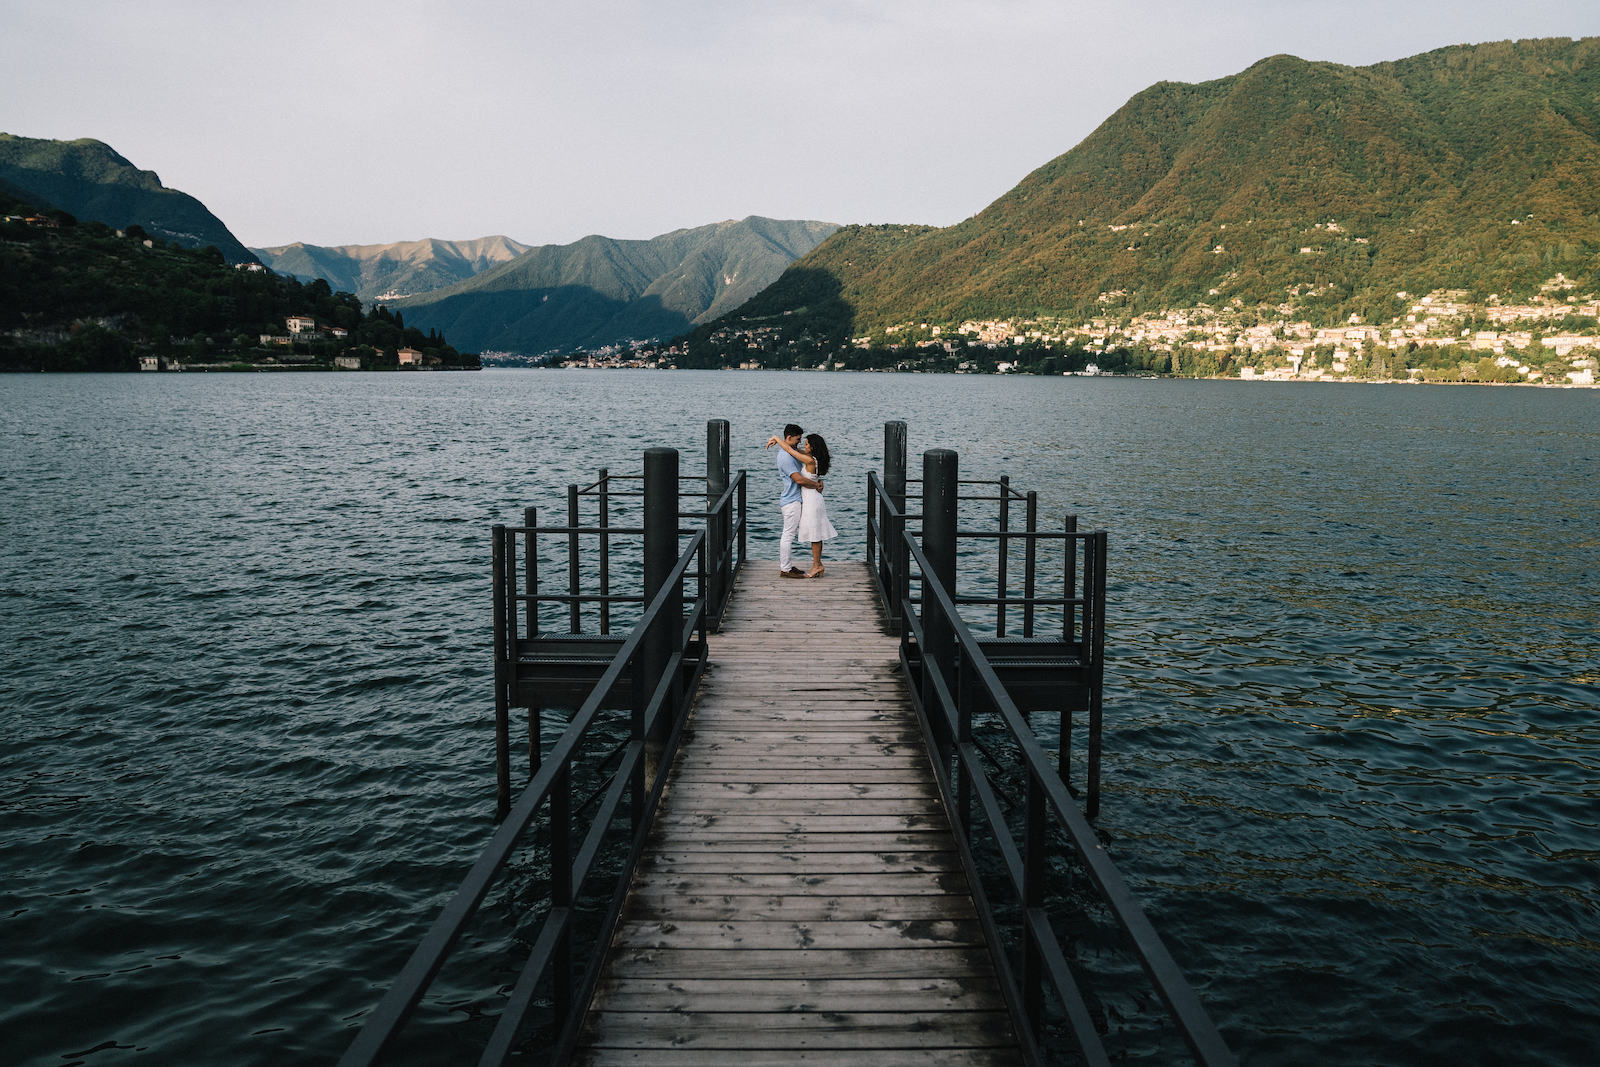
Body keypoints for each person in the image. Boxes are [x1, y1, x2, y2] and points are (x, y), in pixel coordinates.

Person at [766, 431, 836, 578]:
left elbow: (790, 450)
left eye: (806, 443)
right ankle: (818, 565)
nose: (803, 445)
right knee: (815, 533)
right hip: (811, 498)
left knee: (815, 534)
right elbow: (793, 449)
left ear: (812, 447)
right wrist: (782, 441)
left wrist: (776, 438)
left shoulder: (809, 461)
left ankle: (817, 566)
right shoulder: (811, 457)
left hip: (811, 500)